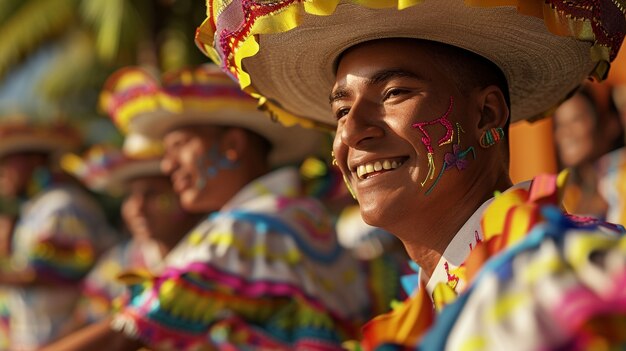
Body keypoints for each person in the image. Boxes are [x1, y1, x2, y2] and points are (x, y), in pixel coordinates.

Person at [196, 1, 626, 349]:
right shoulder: (420, 308)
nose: (351, 131)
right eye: (341, 110)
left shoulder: (570, 271)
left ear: (486, 113)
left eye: (394, 93)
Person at [43, 64, 385, 351]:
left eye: (180, 144)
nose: (167, 165)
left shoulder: (248, 227)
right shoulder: (300, 214)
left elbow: (130, 330)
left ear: (233, 145)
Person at [62, 134, 204, 327]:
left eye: (152, 193)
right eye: (130, 195)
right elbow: (82, 323)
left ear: (184, 191)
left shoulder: (215, 255)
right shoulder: (118, 264)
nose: (137, 207)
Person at [0, 118, 115, 350]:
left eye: (6, 162)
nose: (1, 173)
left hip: (66, 338)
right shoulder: (37, 209)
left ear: (34, 161)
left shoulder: (61, 206)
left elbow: (53, 273)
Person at [553, 82, 624, 218]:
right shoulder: (570, 197)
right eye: (559, 125)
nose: (565, 132)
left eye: (576, 119)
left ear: (608, 124)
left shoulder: (621, 176)